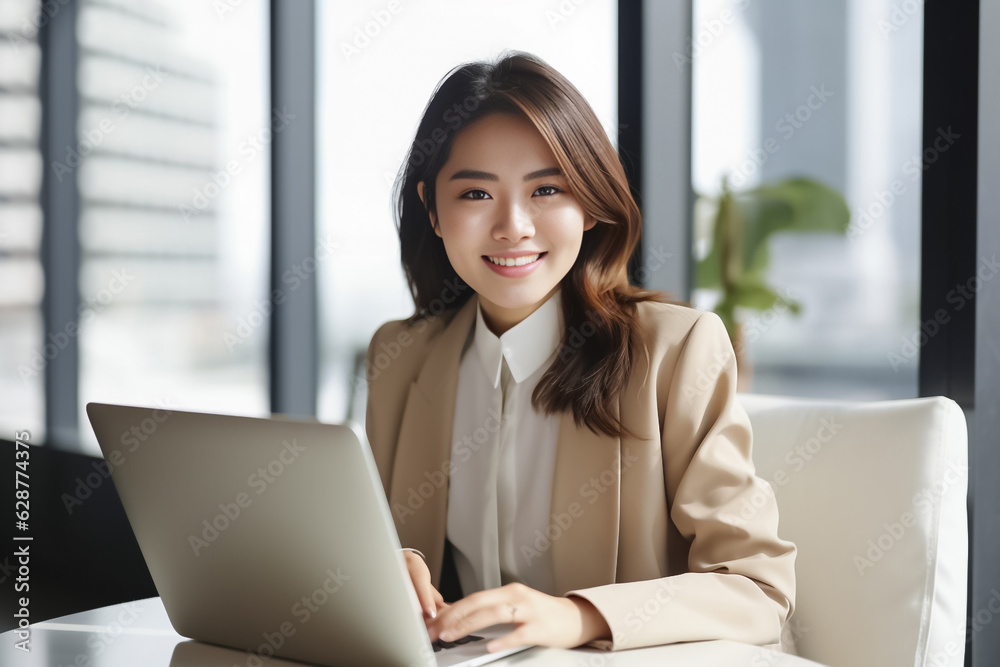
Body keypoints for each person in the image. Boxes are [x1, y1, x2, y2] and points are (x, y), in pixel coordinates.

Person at [363, 49, 797, 655]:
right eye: (475, 195)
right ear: (433, 209)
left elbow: (757, 590)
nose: (514, 226)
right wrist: (393, 565)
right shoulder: (400, 356)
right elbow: (376, 538)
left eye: (546, 188)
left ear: (590, 203)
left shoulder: (674, 352)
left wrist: (580, 617)